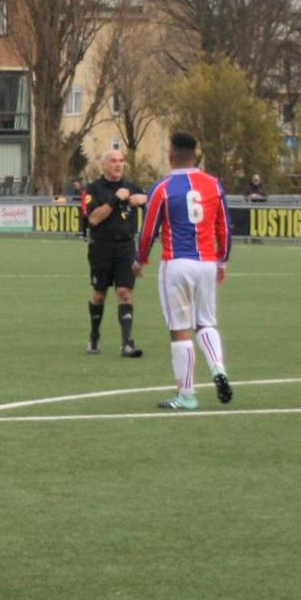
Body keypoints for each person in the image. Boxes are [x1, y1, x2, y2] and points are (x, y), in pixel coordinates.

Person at [134, 132, 232, 411]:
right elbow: (224, 226)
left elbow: (149, 229)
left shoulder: (163, 187)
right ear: (195, 155)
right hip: (207, 263)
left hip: (176, 263)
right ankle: (218, 369)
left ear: (170, 155)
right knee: (206, 323)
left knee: (180, 330)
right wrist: (222, 261)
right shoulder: (214, 184)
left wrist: (140, 259)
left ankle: (187, 395)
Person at [82, 149, 147, 358]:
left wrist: (143, 199)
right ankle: (94, 335)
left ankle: (127, 343)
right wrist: (113, 200)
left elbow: (152, 200)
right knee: (100, 294)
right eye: (113, 161)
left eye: (121, 161)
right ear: (104, 165)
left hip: (126, 248)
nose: (118, 165)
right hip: (101, 248)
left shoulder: (131, 187)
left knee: (124, 293)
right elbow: (93, 219)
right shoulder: (94, 189)